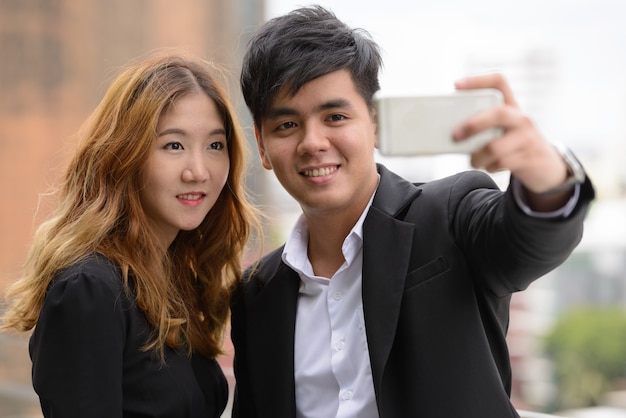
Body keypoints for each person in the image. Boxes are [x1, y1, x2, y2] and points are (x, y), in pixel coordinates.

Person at [230, 5, 595, 418]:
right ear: (261, 145)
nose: (313, 142)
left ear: (375, 124)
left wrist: (545, 177)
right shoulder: (255, 294)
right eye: (287, 126)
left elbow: (532, 243)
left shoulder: (449, 215)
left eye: (335, 116)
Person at [1, 52, 260, 417]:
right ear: (126, 155)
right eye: (174, 145)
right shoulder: (90, 289)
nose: (199, 170)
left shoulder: (175, 280)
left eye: (215, 145)